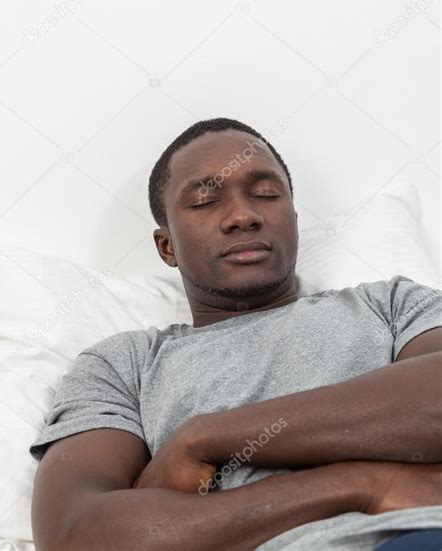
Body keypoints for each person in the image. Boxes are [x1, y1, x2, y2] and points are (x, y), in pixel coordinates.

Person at [29, 117, 442, 550]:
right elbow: (75, 535)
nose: (243, 215)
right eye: (205, 200)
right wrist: (360, 484)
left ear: (294, 219)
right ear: (167, 246)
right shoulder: (123, 365)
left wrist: (203, 439)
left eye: (265, 194)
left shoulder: (391, 305)